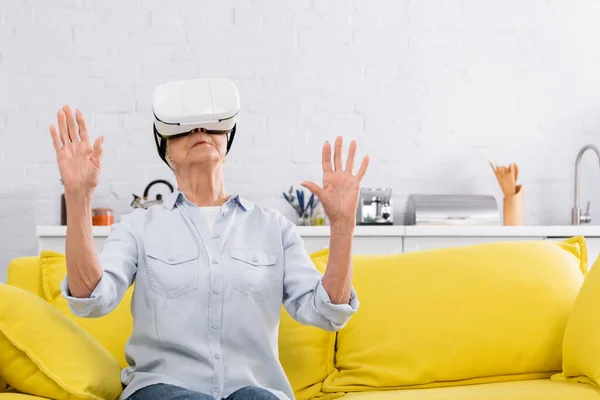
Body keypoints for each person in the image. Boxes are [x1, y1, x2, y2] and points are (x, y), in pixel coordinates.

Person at [48, 79, 370, 400]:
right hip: (162, 390)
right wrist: (78, 197)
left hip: (254, 392)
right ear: (165, 147)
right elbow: (90, 297)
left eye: (211, 125)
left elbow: (328, 311)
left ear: (227, 136)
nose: (200, 133)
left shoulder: (274, 228)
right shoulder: (139, 227)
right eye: (185, 128)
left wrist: (343, 226)